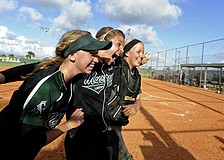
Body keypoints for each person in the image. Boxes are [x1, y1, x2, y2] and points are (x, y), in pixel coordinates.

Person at [0, 29, 112, 159]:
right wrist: (68, 125)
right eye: (92, 54)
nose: (96, 60)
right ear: (72, 55)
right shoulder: (47, 87)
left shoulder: (69, 78)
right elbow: (31, 141)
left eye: (96, 54)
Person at [64, 27, 126, 160]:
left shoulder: (114, 66)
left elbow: (130, 65)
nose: (122, 50)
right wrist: (6, 76)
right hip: (79, 136)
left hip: (103, 135)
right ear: (102, 41)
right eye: (118, 44)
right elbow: (50, 66)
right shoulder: (84, 62)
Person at [107, 38, 144, 160]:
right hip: (105, 123)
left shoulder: (136, 75)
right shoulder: (116, 67)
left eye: (143, 52)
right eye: (138, 51)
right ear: (126, 52)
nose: (142, 56)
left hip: (117, 122)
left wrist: (136, 106)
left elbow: (138, 97)